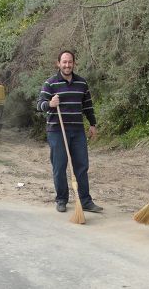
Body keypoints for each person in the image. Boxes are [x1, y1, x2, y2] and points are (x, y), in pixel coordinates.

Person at [37, 50, 103, 213]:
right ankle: (61, 200)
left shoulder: (81, 83)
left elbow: (88, 105)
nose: (67, 65)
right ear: (58, 63)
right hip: (57, 131)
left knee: (81, 166)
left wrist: (93, 124)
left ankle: (86, 201)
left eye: (70, 62)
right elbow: (39, 105)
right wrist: (50, 104)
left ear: (74, 63)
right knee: (59, 167)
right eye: (64, 62)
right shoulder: (50, 83)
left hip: (77, 130)